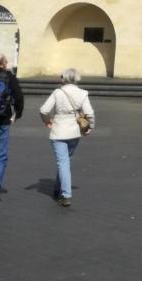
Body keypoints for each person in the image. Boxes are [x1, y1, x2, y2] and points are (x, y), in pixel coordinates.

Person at [39, 68, 95, 207]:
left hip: (58, 131)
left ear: (64, 78)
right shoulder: (82, 93)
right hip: (74, 132)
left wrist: (47, 121)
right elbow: (89, 113)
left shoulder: (58, 92)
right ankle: (58, 189)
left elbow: (44, 110)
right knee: (65, 161)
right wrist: (90, 127)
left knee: (63, 162)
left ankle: (66, 194)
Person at [0, 53, 24, 213]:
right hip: (1, 123)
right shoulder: (9, 77)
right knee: (1, 158)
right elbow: (19, 98)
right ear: (3, 64)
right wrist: (17, 114)